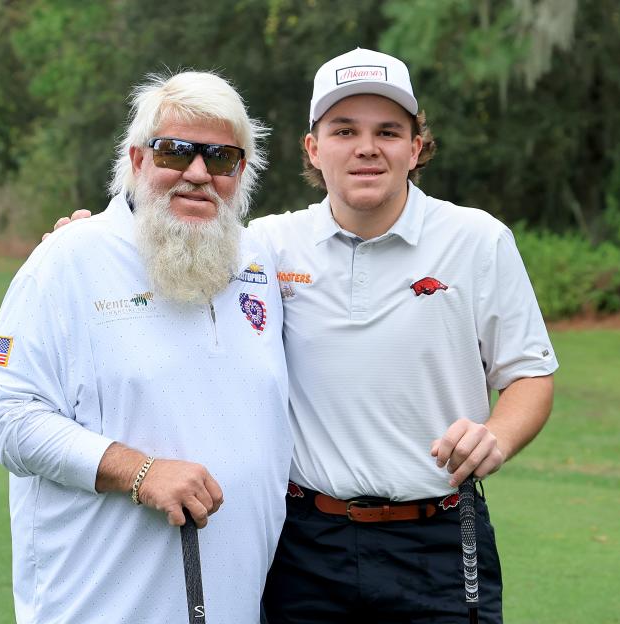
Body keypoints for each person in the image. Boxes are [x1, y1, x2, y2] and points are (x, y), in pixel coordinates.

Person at [49, 48, 558, 623]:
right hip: (306, 542)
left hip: (437, 535)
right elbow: (170, 248)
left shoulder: (478, 240)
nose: (367, 147)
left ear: (415, 148)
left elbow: (530, 374)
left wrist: (498, 436)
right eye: (344, 130)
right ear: (314, 149)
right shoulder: (264, 247)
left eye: (388, 131)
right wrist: (94, 241)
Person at [0, 71, 292, 624]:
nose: (197, 174)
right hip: (99, 608)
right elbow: (1, 413)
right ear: (138, 159)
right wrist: (139, 471)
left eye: (220, 158)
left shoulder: (258, 262)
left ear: (242, 173)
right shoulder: (68, 259)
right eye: (175, 152)